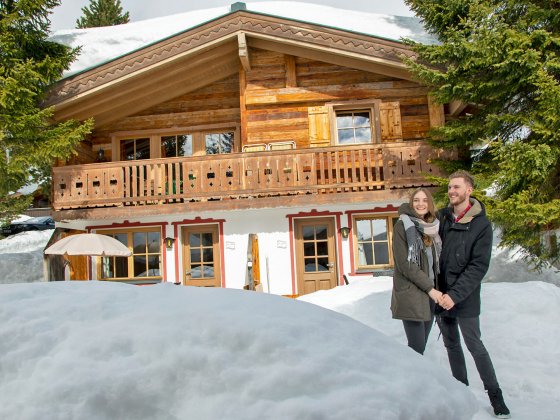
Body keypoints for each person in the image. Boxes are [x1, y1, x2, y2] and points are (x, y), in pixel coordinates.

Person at [436, 170, 511, 419]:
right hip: (441, 295)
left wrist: (454, 295)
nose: (451, 192)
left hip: (464, 296)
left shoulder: (481, 224)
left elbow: (478, 266)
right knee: (451, 345)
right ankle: (462, 393)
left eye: (456, 187)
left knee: (474, 345)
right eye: (449, 187)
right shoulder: (443, 218)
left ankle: (496, 397)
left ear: (469, 190)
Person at [391, 188, 443, 355]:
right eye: (416, 200)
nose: (421, 204)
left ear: (430, 203)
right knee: (416, 349)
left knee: (420, 348)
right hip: (411, 294)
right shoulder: (402, 226)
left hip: (430, 294)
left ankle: (415, 379)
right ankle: (410, 380)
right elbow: (405, 264)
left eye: (424, 200)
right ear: (411, 203)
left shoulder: (432, 228)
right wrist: (430, 289)